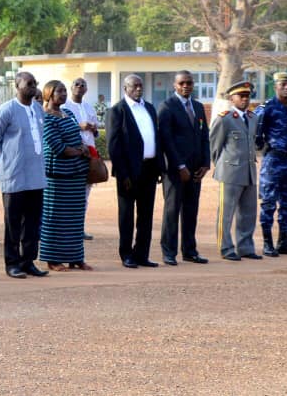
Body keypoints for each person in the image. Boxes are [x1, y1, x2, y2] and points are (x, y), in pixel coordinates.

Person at [0, 73, 48, 279]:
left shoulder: (38, 109)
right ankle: (12, 263)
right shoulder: (7, 110)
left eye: (35, 83)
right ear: (17, 86)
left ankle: (28, 261)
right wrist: (9, 159)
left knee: (32, 223)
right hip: (14, 176)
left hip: (36, 176)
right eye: (29, 84)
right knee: (13, 222)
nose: (33, 87)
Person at [106, 74, 164, 268]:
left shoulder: (149, 108)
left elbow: (156, 138)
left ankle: (142, 254)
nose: (139, 89)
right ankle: (126, 254)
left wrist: (158, 167)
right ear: (125, 88)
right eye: (134, 86)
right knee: (127, 215)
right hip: (128, 172)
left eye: (140, 86)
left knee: (146, 215)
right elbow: (114, 146)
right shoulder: (117, 111)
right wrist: (123, 174)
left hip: (149, 168)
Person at [157, 71, 210, 265]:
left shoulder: (197, 106)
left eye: (189, 83)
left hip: (195, 169)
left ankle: (190, 250)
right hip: (175, 170)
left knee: (191, 210)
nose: (186, 86)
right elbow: (166, 140)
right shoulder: (167, 107)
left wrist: (205, 163)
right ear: (175, 85)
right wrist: (179, 165)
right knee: (172, 211)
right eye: (182, 83)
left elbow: (205, 136)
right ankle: (169, 252)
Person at [39, 81, 92, 272]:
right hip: (57, 175)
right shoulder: (46, 118)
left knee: (76, 217)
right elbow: (58, 147)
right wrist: (80, 151)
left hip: (76, 174)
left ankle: (76, 257)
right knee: (55, 217)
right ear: (48, 94)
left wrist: (82, 149)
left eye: (63, 90)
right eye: (58, 91)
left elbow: (77, 139)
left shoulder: (68, 114)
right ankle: (53, 259)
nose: (62, 94)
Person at [255, 72, 287, 256]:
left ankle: (283, 241)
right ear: (275, 86)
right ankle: (267, 243)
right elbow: (256, 130)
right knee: (269, 201)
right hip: (273, 161)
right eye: (283, 84)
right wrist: (264, 146)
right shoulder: (267, 107)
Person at [212, 81, 261, 262]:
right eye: (241, 96)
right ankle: (225, 247)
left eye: (247, 96)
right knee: (226, 213)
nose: (245, 99)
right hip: (230, 173)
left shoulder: (253, 118)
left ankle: (245, 247)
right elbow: (215, 147)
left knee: (248, 212)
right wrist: (223, 166)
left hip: (249, 171)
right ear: (232, 98)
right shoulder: (225, 118)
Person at [60, 78, 99, 240]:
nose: (80, 87)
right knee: (69, 194)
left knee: (85, 194)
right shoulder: (64, 107)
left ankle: (79, 228)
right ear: (71, 88)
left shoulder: (89, 107)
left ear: (86, 89)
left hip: (89, 155)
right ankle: (66, 228)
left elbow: (96, 132)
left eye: (83, 85)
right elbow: (62, 129)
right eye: (77, 84)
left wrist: (93, 128)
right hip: (72, 155)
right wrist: (79, 126)